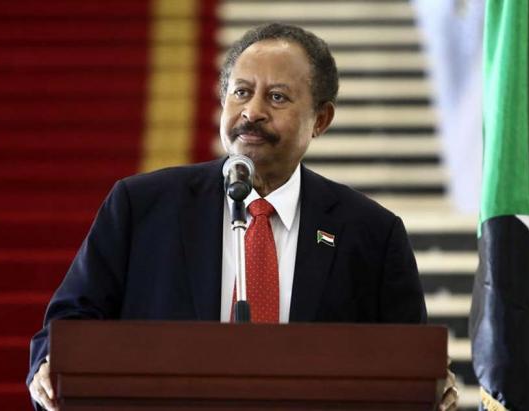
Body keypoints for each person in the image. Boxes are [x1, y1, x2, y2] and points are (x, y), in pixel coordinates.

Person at [27, 23, 457, 411]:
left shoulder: (371, 233)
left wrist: (430, 383)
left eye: (277, 97)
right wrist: (47, 366)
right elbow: (70, 323)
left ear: (320, 120)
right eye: (240, 92)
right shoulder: (141, 206)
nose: (252, 112)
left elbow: (406, 356)